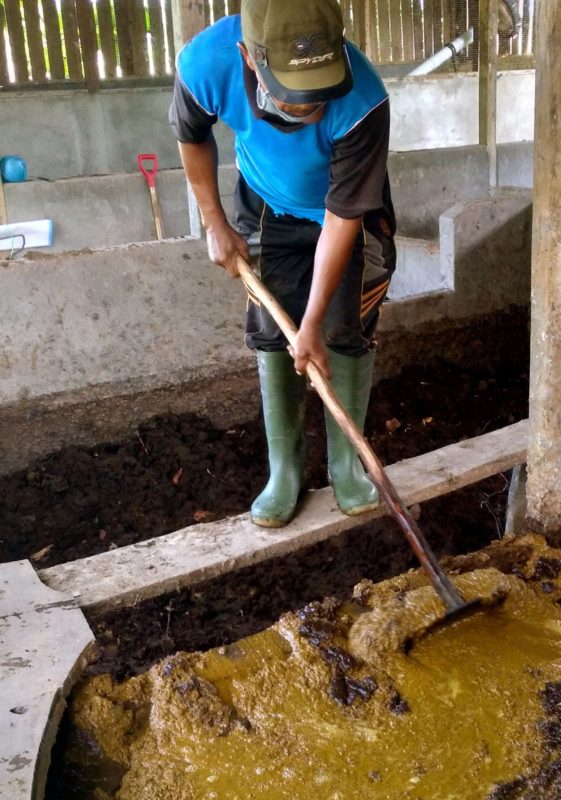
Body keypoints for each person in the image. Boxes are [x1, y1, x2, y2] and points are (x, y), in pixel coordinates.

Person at [170, 0, 395, 527]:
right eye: (296, 99)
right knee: (273, 328)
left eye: (319, 97)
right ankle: (285, 471)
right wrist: (215, 224)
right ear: (250, 58)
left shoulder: (365, 102)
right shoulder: (206, 64)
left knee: (346, 325)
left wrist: (314, 322)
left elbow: (341, 218)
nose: (309, 109)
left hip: (345, 211)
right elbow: (191, 136)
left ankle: (347, 466)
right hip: (266, 201)